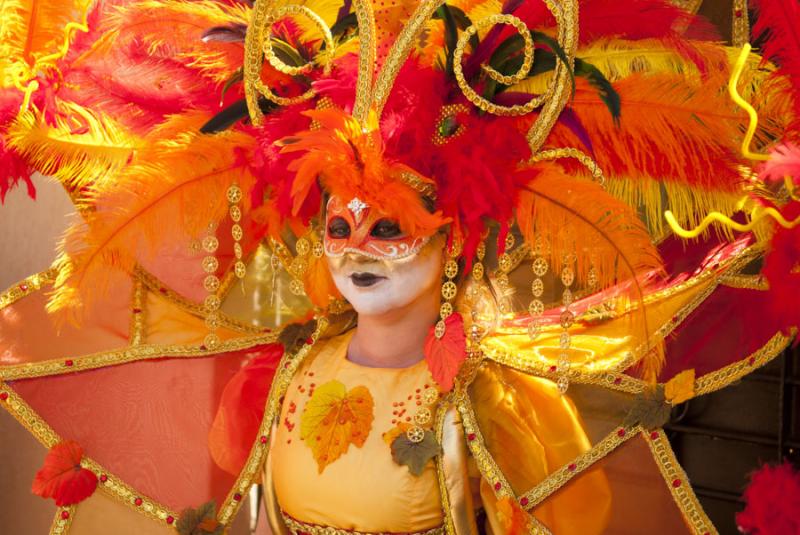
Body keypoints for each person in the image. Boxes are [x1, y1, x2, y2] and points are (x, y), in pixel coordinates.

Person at [0, 0, 798, 533]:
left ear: (453, 233)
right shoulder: (282, 369)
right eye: (339, 221)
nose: (357, 246)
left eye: (389, 224)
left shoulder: (489, 393)